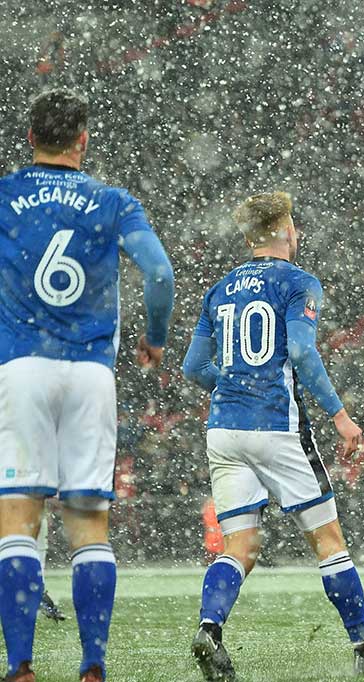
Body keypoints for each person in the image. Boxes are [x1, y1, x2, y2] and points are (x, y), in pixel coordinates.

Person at [181, 191, 364, 679]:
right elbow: (301, 353)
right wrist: (339, 414)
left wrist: (233, 384)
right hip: (276, 426)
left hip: (225, 430)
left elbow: (193, 367)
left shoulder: (219, 290)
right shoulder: (299, 283)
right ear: (284, 231)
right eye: (294, 224)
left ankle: (210, 628)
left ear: (249, 238)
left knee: (239, 547)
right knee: (328, 540)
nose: (297, 232)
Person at [0, 88, 175, 682]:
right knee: (88, 524)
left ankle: (20, 666)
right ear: (83, 139)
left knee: (18, 520)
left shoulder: (5, 195)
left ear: (30, 137)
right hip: (92, 372)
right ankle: (93, 663)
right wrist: (155, 337)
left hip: (22, 366)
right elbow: (158, 272)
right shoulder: (112, 200)